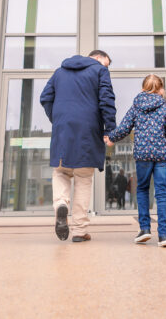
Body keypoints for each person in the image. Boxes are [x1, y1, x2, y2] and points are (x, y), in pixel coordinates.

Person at [40, 50, 115, 243]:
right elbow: (106, 101)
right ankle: (80, 231)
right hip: (88, 131)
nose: (106, 68)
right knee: (83, 177)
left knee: (61, 172)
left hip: (63, 129)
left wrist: (57, 119)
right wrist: (110, 129)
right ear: (97, 58)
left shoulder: (59, 72)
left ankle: (60, 205)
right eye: (106, 63)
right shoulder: (99, 71)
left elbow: (45, 97)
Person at [105, 74, 166, 247]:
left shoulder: (136, 107)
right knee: (161, 193)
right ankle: (163, 235)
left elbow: (124, 127)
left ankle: (145, 229)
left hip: (143, 155)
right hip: (162, 155)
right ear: (161, 89)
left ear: (143, 88)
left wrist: (111, 138)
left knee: (142, 190)